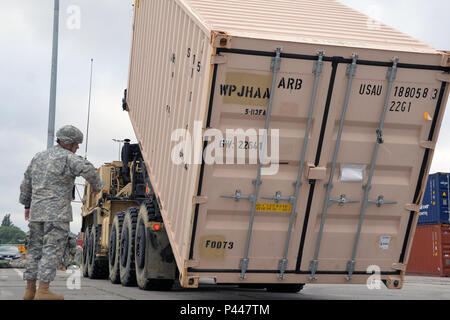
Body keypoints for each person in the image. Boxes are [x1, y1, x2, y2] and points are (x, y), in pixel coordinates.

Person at [19, 125, 104, 300]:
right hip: (57, 214)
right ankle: (43, 291)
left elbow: (26, 183)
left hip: (36, 213)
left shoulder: (38, 157)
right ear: (69, 143)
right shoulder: (68, 158)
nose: (78, 147)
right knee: (51, 249)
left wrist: (27, 204)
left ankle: (29, 291)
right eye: (76, 144)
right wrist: (97, 187)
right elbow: (89, 170)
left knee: (34, 249)